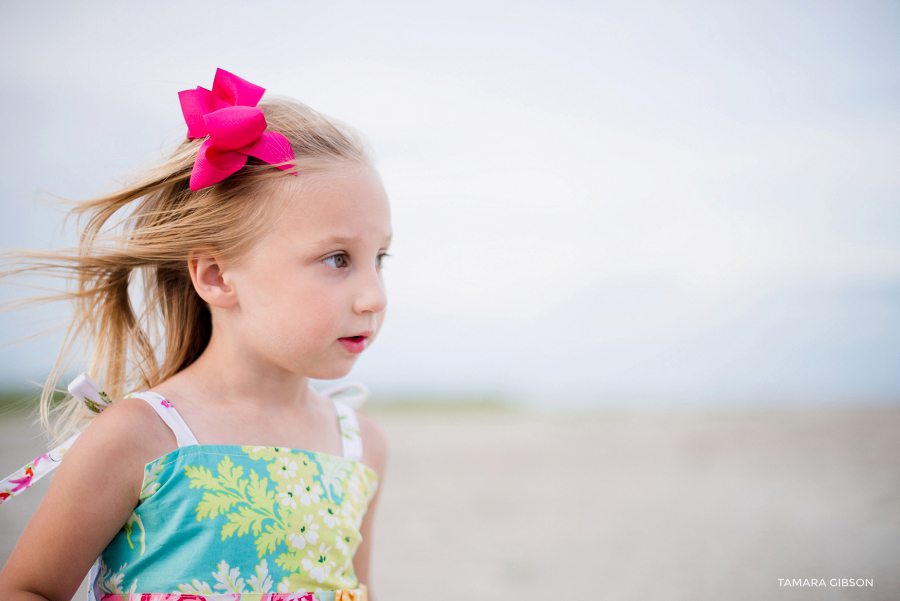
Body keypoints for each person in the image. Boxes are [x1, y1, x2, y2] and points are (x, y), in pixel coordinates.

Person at [0, 68, 391, 601]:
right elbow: (28, 588)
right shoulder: (140, 436)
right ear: (216, 276)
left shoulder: (360, 445)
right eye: (337, 259)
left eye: (380, 259)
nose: (374, 295)